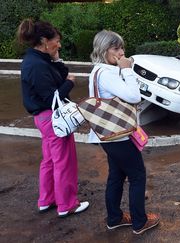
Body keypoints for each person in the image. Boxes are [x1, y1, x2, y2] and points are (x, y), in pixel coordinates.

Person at [88, 30, 160, 234]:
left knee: (116, 176)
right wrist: (127, 70)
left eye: (122, 47)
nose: (121, 52)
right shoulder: (109, 73)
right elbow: (134, 96)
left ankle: (115, 218)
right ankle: (139, 222)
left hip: (108, 133)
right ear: (104, 50)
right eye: (116, 48)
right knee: (137, 175)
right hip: (118, 134)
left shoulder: (97, 71)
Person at [17, 19, 89, 217]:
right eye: (56, 41)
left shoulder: (38, 60)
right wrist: (69, 84)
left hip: (44, 119)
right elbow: (51, 98)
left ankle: (46, 199)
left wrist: (57, 60)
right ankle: (67, 205)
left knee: (49, 160)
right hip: (53, 118)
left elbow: (59, 74)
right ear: (44, 40)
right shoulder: (37, 65)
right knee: (64, 162)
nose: (58, 44)